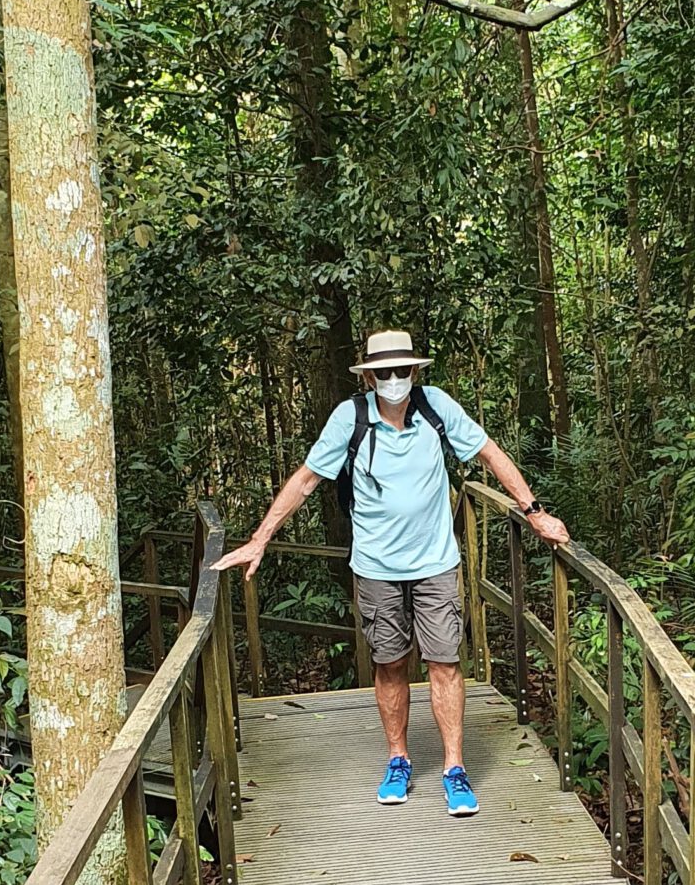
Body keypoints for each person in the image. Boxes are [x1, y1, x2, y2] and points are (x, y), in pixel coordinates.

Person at [217, 329, 571, 815]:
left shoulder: (436, 408)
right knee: (389, 662)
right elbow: (305, 480)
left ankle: (453, 767)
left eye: (401, 370)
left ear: (415, 371)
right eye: (382, 372)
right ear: (369, 376)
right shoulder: (352, 418)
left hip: (436, 562)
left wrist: (534, 512)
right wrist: (260, 538)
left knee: (445, 663)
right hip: (377, 566)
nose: (393, 380)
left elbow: (489, 453)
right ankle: (398, 759)